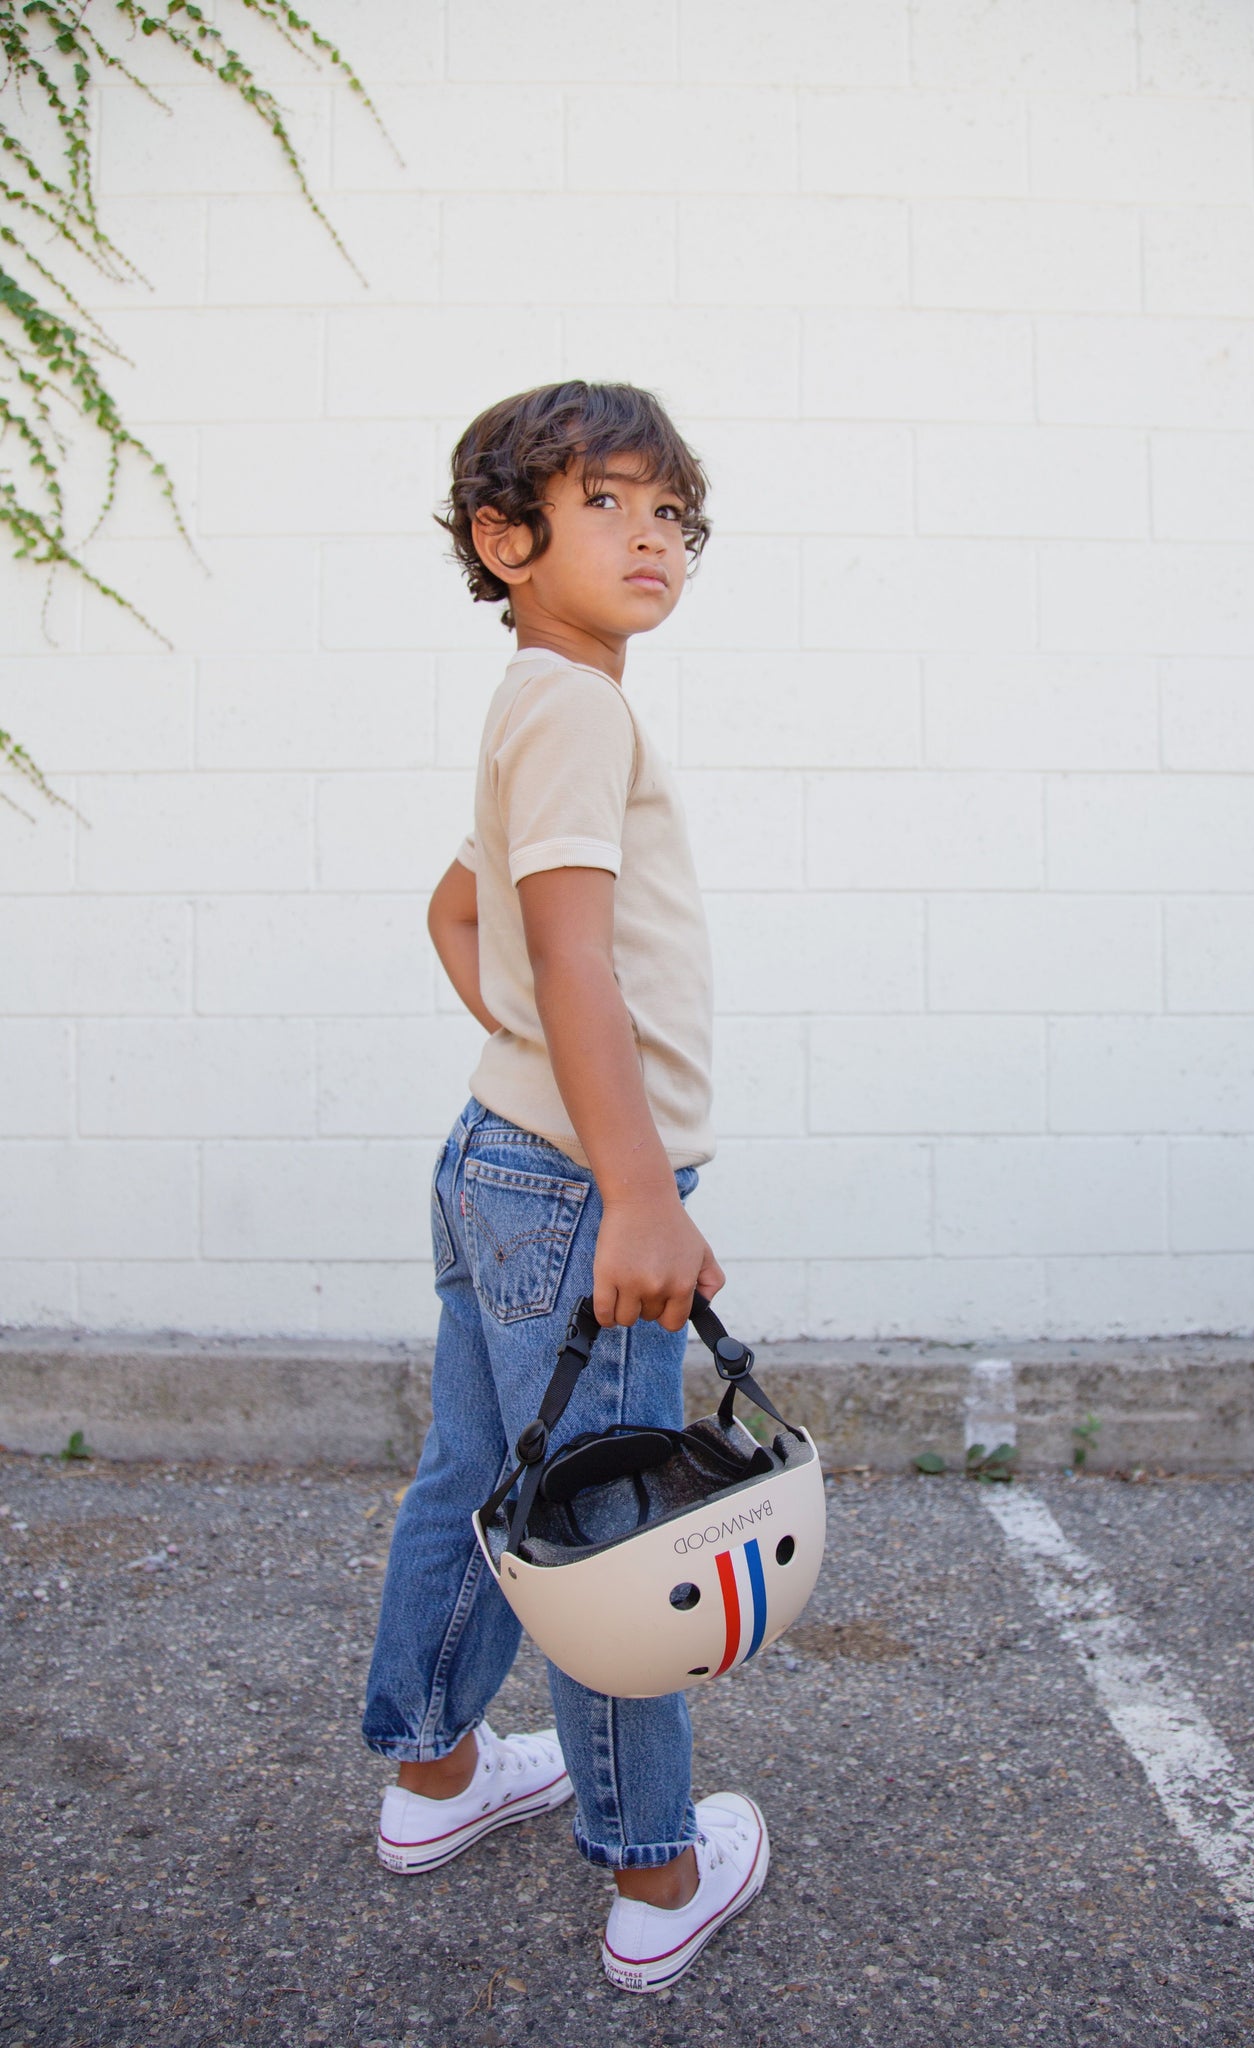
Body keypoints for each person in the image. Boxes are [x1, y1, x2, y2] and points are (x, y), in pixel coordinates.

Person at [361, 381, 769, 1994]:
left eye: (672, 513)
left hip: (494, 1159)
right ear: (504, 538)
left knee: (475, 1473)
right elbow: (572, 953)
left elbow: (461, 916)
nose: (653, 535)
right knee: (607, 1533)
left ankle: (435, 1778)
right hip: (578, 1187)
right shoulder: (579, 709)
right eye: (607, 502)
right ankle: (656, 1869)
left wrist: (525, 1062)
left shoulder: (536, 698)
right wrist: (634, 1192)